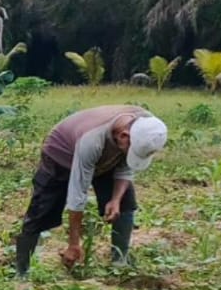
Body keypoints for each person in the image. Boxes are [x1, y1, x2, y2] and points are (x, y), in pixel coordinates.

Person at [14, 106, 167, 276]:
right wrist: (74, 243)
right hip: (61, 156)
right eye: (129, 150)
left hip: (105, 158)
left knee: (125, 204)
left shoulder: (147, 126)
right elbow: (78, 192)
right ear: (124, 136)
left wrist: (115, 200)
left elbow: (126, 167)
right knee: (40, 212)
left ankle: (120, 262)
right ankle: (21, 273)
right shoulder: (92, 140)